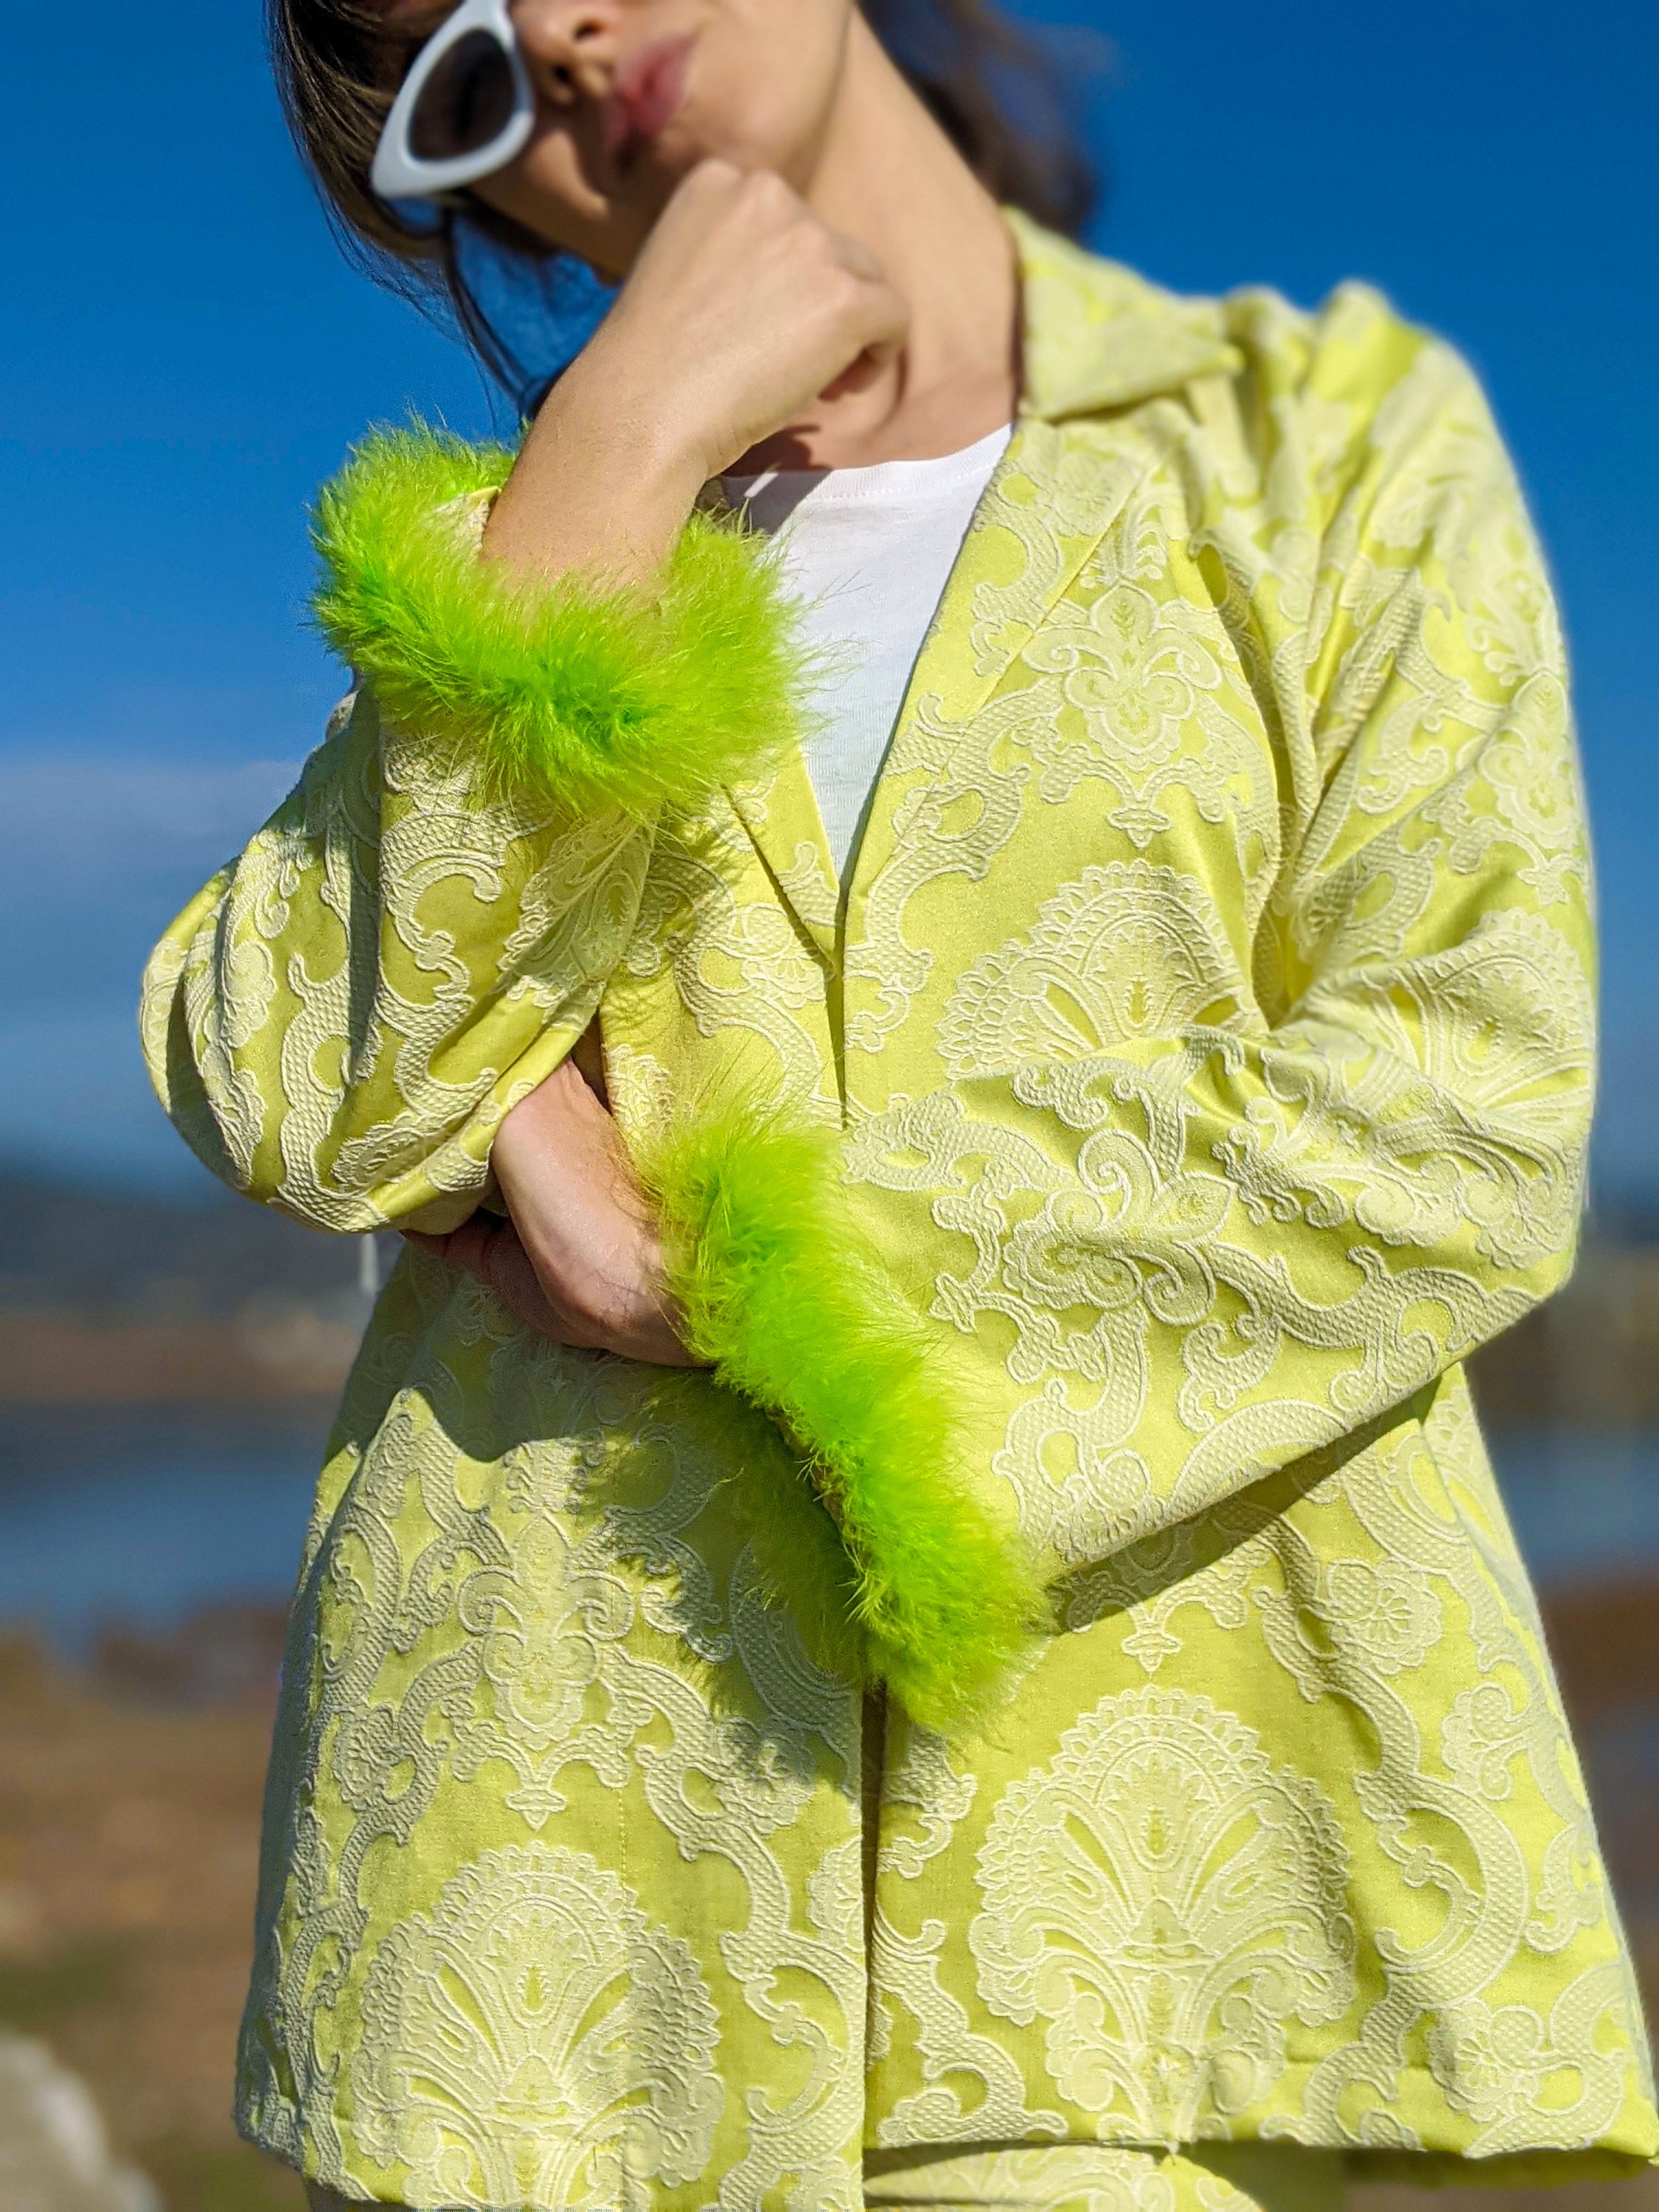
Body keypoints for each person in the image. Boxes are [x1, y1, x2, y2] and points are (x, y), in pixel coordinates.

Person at [141, 2, 1658, 2208]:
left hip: (1123, 1919)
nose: (555, 37)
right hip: (535, 1916)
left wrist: (720, 1262)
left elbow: (1462, 1104)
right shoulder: (544, 524)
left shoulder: (1307, 438)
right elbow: (283, 1069)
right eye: (458, 77)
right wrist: (623, 447)